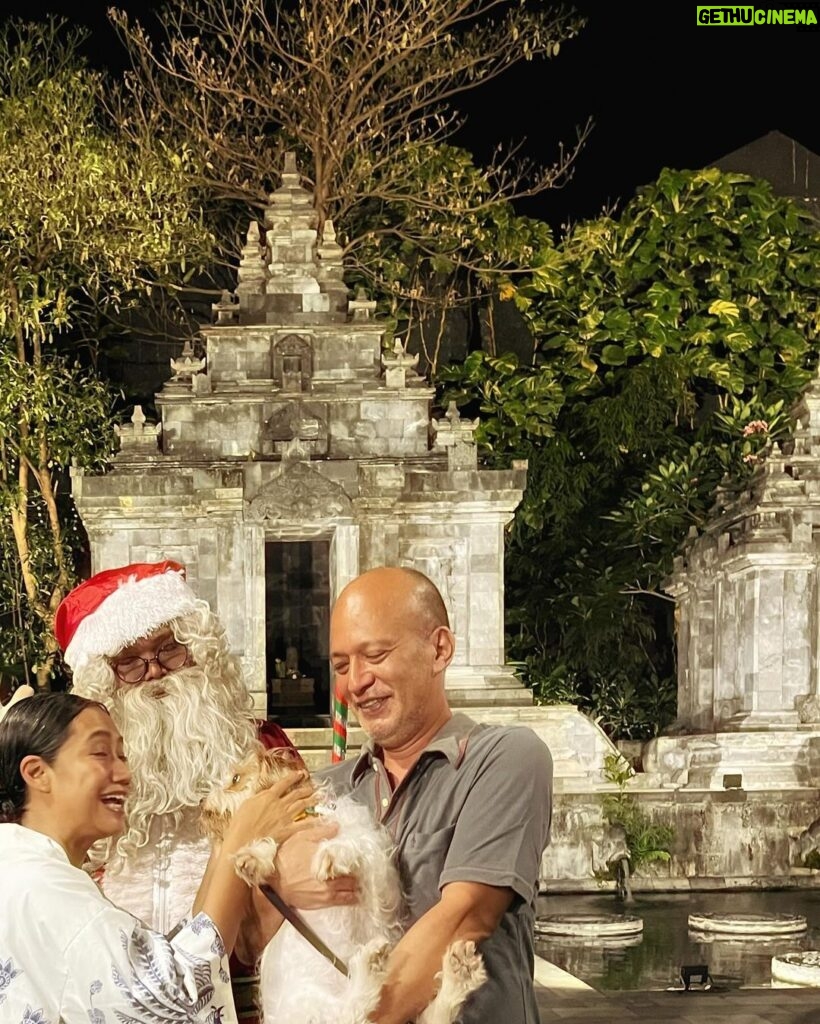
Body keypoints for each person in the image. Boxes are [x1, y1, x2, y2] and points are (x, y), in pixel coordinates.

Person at [317, 565, 553, 1024]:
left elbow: (467, 918)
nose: (356, 682)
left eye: (376, 654)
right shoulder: (331, 788)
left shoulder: (504, 758)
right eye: (342, 666)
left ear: (439, 648)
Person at [0, 691, 315, 1023]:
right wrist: (241, 836)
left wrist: (224, 842)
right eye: (101, 753)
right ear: (37, 773)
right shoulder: (42, 886)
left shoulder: (21, 867)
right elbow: (174, 997)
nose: (123, 774)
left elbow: (152, 964)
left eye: (122, 756)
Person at [52, 560, 299, 935]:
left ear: (199, 651)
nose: (154, 671)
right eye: (129, 663)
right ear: (107, 682)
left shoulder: (262, 745)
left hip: (241, 975)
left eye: (169, 649)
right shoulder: (81, 774)